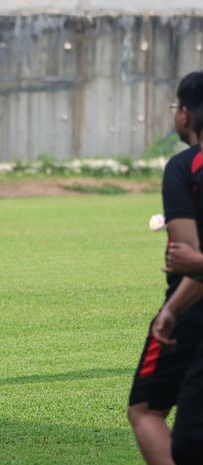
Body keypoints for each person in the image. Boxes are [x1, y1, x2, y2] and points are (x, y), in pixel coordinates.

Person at [127, 71, 203, 465]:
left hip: (190, 312)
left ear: (186, 114)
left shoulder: (184, 168)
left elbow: (189, 257)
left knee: (145, 409)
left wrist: (172, 310)